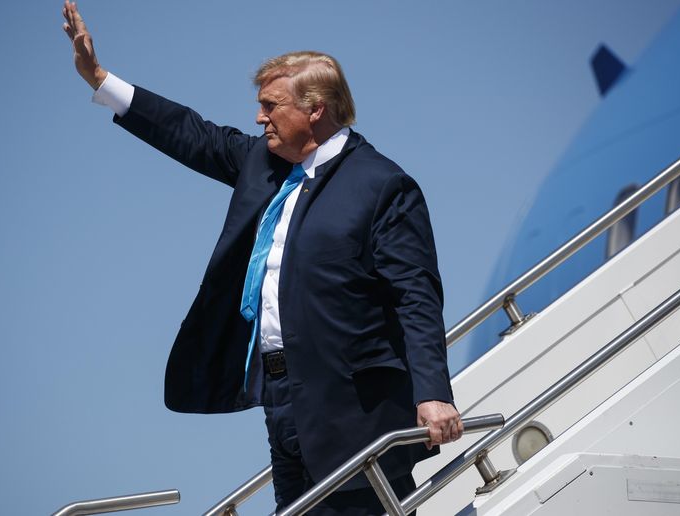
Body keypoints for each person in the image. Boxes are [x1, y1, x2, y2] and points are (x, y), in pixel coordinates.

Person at [62, 2, 463, 513]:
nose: (259, 117)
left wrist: (432, 392)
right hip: (280, 397)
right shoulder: (263, 162)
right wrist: (99, 78)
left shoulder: (382, 185)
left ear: (316, 109)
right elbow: (192, 133)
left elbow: (417, 295)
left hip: (355, 406)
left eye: (271, 105)